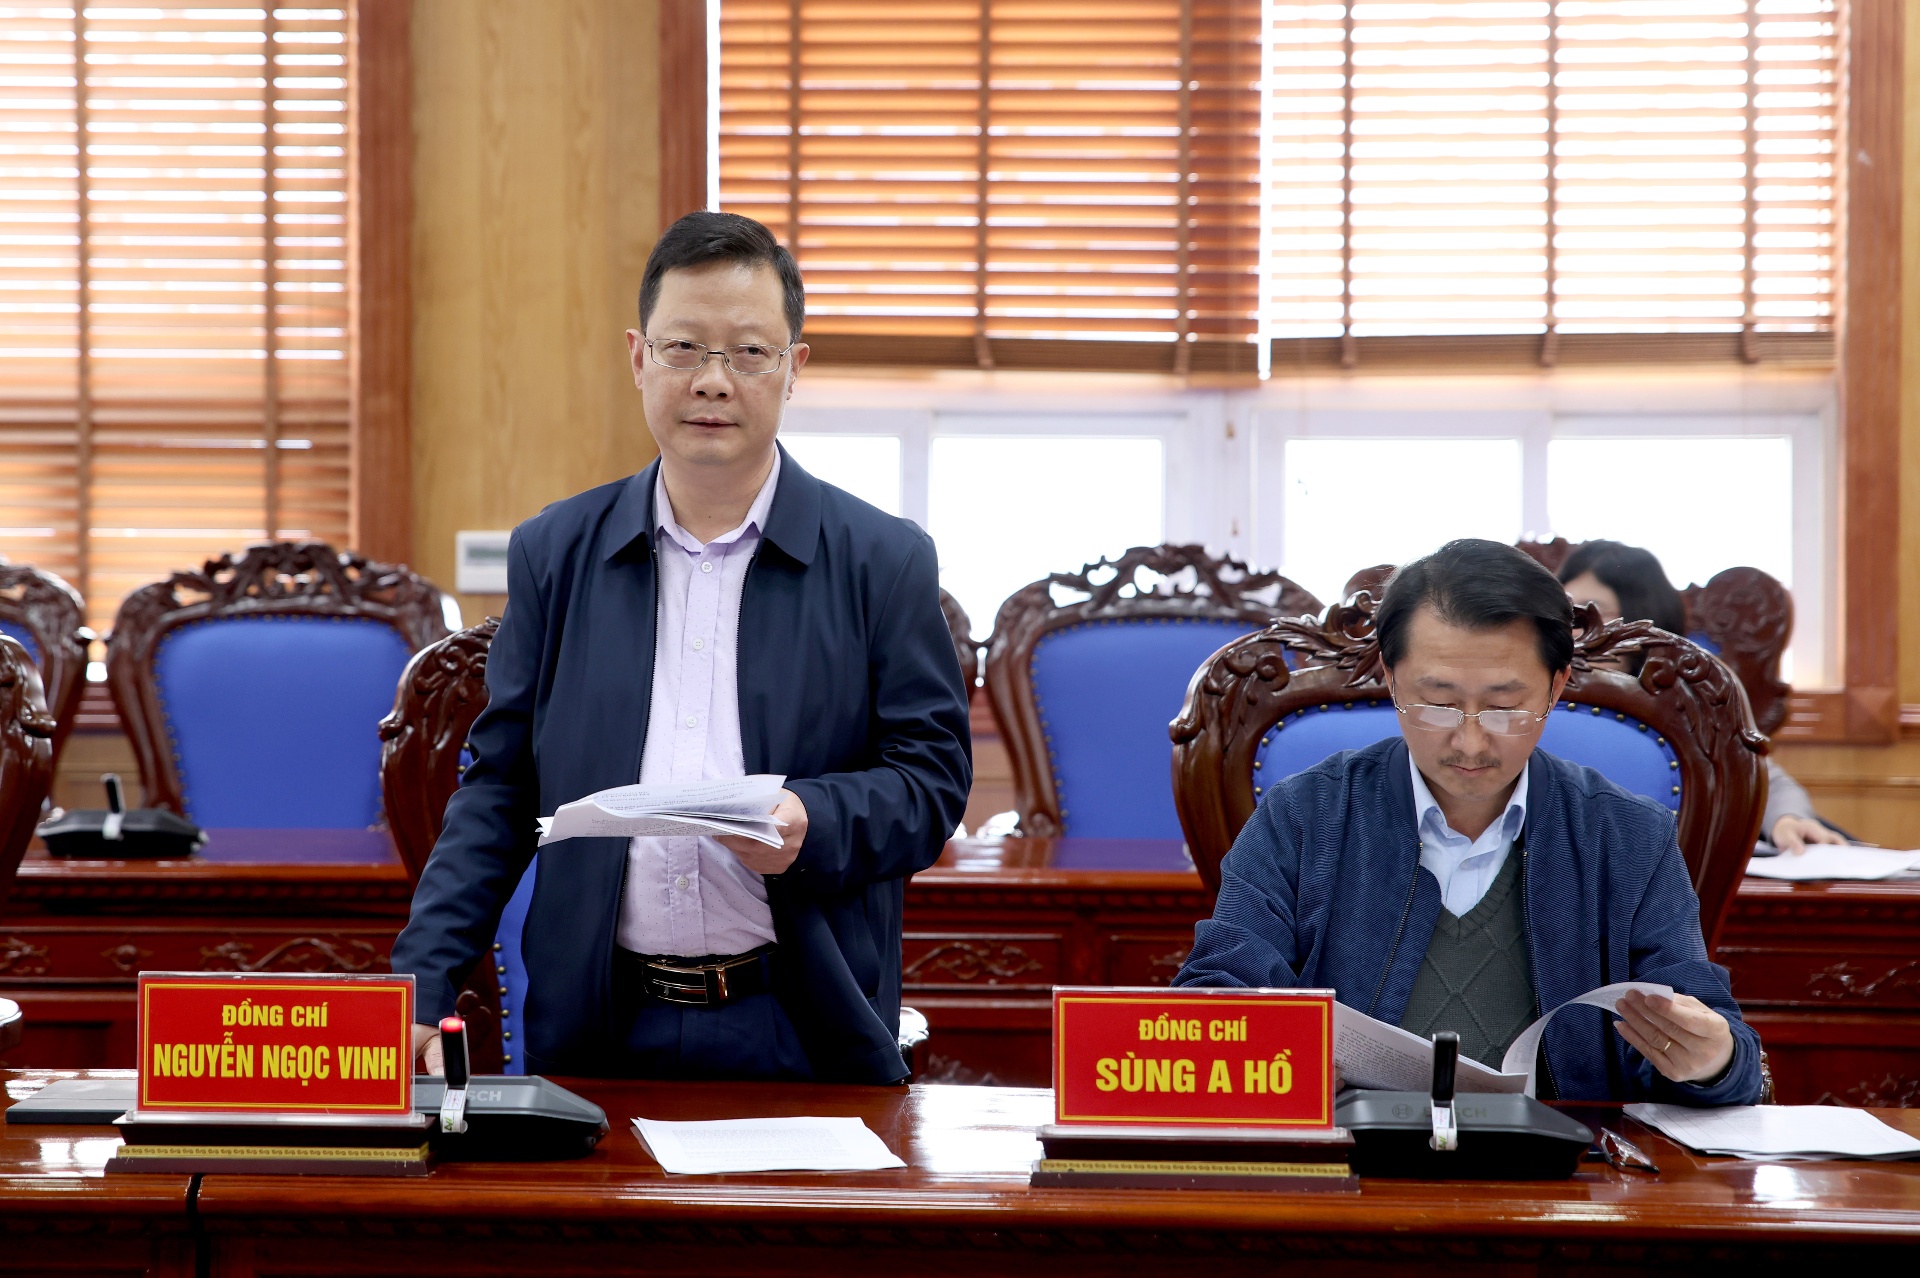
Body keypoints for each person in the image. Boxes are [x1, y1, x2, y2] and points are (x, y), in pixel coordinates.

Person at [391, 211, 972, 1084]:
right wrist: (422, 981)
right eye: (684, 348)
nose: (713, 381)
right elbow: (500, 787)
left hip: (803, 1025)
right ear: (638, 358)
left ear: (794, 367)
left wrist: (812, 819)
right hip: (597, 1027)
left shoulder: (882, 560)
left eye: (749, 353)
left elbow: (930, 784)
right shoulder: (556, 553)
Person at [1176, 539, 1764, 1105]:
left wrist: (1710, 1062)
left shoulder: (1629, 837)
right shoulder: (1304, 817)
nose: (1471, 741)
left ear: (1556, 686)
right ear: (1391, 678)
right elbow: (1217, 993)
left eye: (1506, 707)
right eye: (1437, 704)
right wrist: (1267, 1057)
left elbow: (1717, 1043)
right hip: (1358, 1161)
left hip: (1565, 1166)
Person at [1556, 540, 1841, 855]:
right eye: (1565, 614)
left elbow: (1758, 778)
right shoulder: (1535, 699)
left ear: (1640, 619)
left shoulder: (1681, 701)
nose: (1573, 634)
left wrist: (1787, 820)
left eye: (1587, 616)